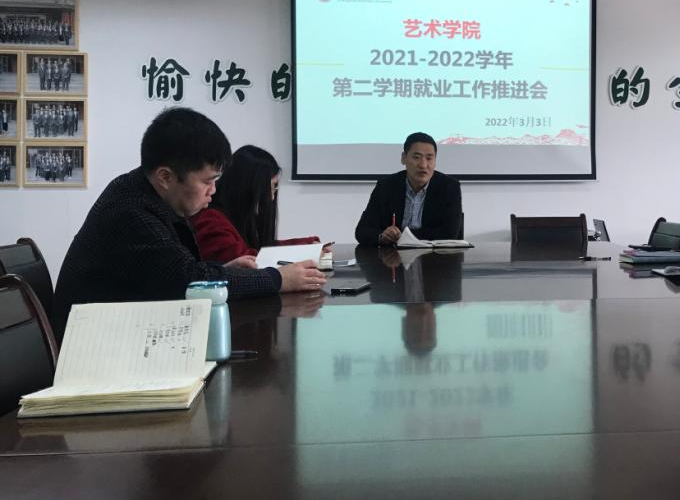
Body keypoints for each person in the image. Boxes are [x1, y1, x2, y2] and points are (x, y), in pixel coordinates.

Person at [53, 107, 326, 344]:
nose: (213, 191)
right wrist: (278, 279)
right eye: (207, 181)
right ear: (165, 177)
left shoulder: (145, 196)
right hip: (94, 351)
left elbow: (179, 273)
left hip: (119, 333)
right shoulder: (131, 212)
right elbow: (188, 282)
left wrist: (224, 270)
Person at [191, 145, 322, 263]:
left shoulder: (233, 216)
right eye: (271, 188)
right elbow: (248, 261)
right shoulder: (211, 220)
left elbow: (263, 249)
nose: (272, 197)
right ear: (248, 187)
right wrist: (306, 253)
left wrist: (308, 246)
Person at [354, 132, 462, 245]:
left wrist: (401, 237)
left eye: (429, 158)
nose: (423, 165)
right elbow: (362, 231)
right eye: (416, 157)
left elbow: (449, 234)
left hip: (433, 255)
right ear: (403, 158)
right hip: (392, 255)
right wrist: (382, 236)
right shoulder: (386, 186)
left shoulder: (449, 187)